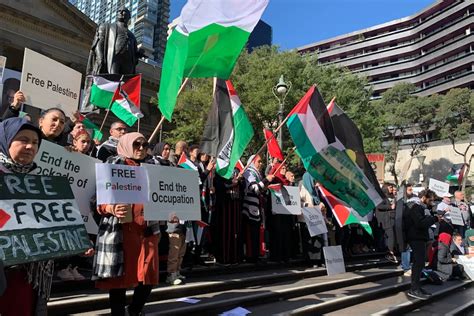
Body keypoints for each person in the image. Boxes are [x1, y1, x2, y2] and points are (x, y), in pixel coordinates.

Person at [92, 133, 160, 316]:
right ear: (125, 145)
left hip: (147, 231)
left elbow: (166, 196)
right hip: (121, 231)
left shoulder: (154, 167)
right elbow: (96, 199)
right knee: (119, 279)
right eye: (136, 144)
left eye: (144, 145)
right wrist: (110, 208)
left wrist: (171, 212)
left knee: (148, 277)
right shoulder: (113, 165)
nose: (141, 148)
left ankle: (135, 310)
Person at [0, 117, 53, 315]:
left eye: (35, 142)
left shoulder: (41, 182)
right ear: (5, 140)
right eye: (22, 139)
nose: (30, 146)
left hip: (30, 273)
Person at [403, 189, 440, 300]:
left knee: (420, 263)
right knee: (418, 263)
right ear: (424, 197)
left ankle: (417, 287)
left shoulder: (421, 208)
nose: (431, 203)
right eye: (430, 200)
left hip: (420, 238)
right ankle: (414, 289)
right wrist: (434, 219)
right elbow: (420, 223)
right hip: (416, 238)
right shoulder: (415, 207)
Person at [87, 7, 144, 75]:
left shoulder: (132, 35)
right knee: (113, 78)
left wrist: (139, 54)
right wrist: (100, 57)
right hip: (114, 60)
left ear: (129, 16)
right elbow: (98, 43)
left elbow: (134, 55)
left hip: (128, 64)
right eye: (119, 11)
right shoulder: (106, 27)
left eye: (123, 11)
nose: (120, 12)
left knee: (126, 83)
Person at [242, 154, 274, 263]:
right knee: (251, 233)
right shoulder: (248, 172)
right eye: (259, 161)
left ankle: (256, 254)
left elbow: (261, 189)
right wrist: (266, 180)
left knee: (256, 232)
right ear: (252, 161)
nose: (261, 164)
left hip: (256, 206)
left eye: (261, 162)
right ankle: (251, 255)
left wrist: (265, 183)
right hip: (249, 206)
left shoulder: (256, 173)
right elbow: (254, 188)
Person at [299, 172, 328, 266]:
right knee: (310, 240)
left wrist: (321, 205)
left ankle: (319, 260)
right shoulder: (303, 188)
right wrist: (307, 205)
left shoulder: (315, 190)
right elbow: (298, 201)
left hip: (316, 217)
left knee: (318, 239)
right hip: (306, 218)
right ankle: (311, 261)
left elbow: (317, 201)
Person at [267, 163, 294, 263]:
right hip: (276, 213)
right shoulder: (274, 180)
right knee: (277, 233)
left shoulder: (287, 182)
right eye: (282, 168)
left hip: (286, 213)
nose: (284, 169)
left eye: (285, 168)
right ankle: (277, 256)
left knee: (286, 233)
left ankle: (285, 255)